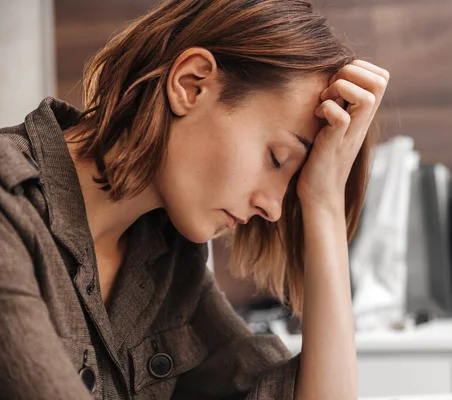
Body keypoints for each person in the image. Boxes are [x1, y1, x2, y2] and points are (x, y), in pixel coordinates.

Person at [0, 0, 388, 398]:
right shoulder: (8, 210)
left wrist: (322, 203)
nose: (272, 209)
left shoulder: (168, 263)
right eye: (277, 158)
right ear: (191, 84)